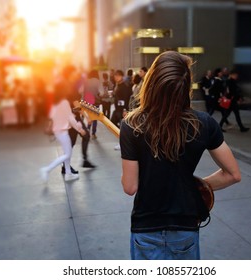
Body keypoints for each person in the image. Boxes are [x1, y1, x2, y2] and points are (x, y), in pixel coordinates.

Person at [119, 51, 241, 260]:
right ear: (185, 86)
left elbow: (130, 187)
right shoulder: (205, 123)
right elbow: (233, 174)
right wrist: (196, 184)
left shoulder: (132, 125)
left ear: (152, 82)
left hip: (146, 227)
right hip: (185, 226)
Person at [40, 88, 86, 183]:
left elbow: (54, 116)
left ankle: (68, 174)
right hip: (63, 131)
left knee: (67, 153)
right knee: (67, 154)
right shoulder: (64, 102)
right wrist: (80, 129)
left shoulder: (55, 103)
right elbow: (70, 118)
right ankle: (47, 169)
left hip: (58, 131)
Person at [111, 70, 132, 150]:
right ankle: (121, 141)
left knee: (122, 127)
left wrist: (125, 110)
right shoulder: (118, 85)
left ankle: (122, 143)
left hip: (122, 109)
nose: (116, 77)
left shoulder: (124, 86)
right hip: (118, 109)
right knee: (114, 123)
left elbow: (126, 98)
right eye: (115, 76)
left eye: (117, 76)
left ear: (121, 76)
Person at [81, 69, 102, 139]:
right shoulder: (98, 81)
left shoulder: (86, 81)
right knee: (95, 118)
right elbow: (101, 92)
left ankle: (87, 131)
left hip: (87, 102)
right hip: (96, 102)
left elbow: (82, 92)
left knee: (89, 118)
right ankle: (93, 134)